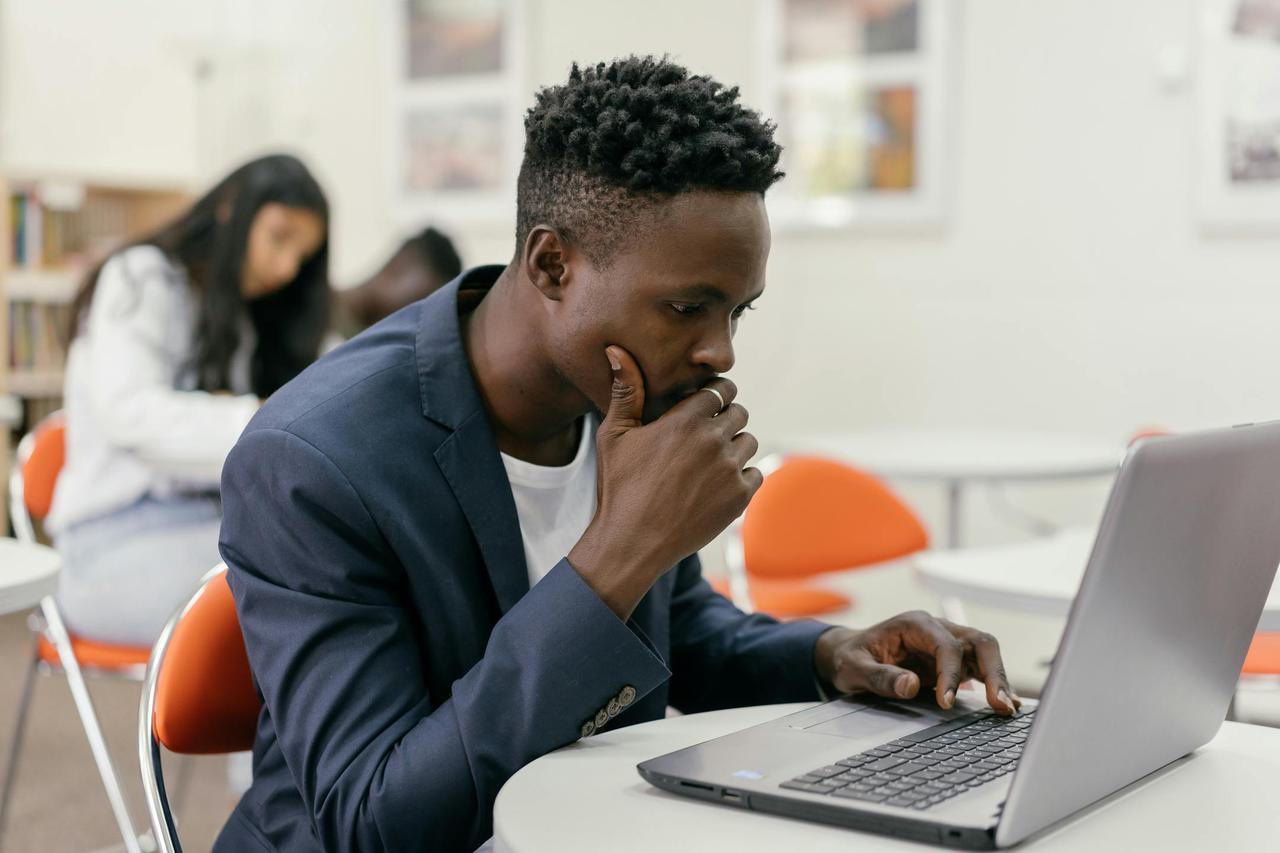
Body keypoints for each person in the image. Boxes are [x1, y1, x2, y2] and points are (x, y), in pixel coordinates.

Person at [215, 58, 1019, 853]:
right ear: (551, 264)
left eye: (738, 311)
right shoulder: (312, 460)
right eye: (686, 307)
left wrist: (830, 654)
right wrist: (617, 551)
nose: (719, 352)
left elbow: (683, 634)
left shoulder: (618, 396)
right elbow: (372, 823)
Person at [47, 153, 329, 647]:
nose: (286, 269)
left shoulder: (231, 317)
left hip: (196, 526)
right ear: (230, 208)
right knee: (294, 588)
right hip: (106, 545)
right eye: (279, 238)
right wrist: (262, 416)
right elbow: (132, 417)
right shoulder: (140, 277)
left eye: (301, 257)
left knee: (323, 563)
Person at [330, 225, 462, 338]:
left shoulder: (371, 351)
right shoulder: (315, 311)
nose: (416, 319)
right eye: (419, 300)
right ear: (399, 266)